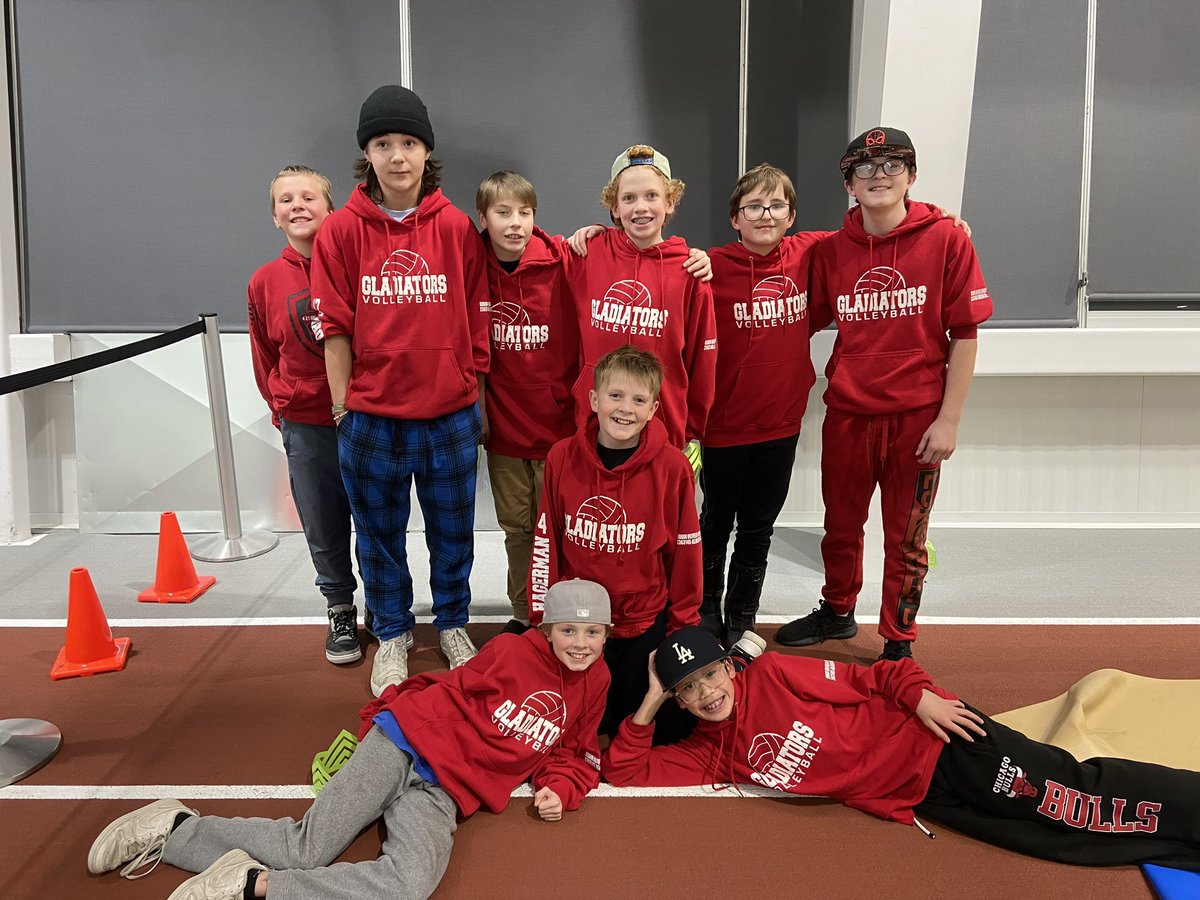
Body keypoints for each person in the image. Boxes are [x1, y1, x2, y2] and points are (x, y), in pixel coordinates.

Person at [87, 579, 613, 900]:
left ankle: (250, 885)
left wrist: (562, 787)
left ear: (607, 636)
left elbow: (579, 751)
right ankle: (174, 827)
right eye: (569, 630)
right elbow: (441, 687)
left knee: (409, 886)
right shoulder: (515, 652)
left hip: (446, 793)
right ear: (547, 630)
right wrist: (385, 719)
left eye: (593, 633)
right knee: (308, 845)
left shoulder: (599, 682)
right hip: (406, 741)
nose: (581, 644)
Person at [604, 626, 1200, 872]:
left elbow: (879, 677)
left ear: (730, 669)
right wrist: (650, 698)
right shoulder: (713, 754)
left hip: (941, 741)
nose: (706, 693)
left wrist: (925, 702)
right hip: (921, 796)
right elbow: (625, 770)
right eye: (688, 689)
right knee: (1053, 840)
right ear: (679, 702)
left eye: (710, 676)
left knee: (1075, 798)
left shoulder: (775, 674)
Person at [777, 127, 993, 661]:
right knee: (840, 528)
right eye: (865, 166)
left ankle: (898, 639)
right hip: (849, 414)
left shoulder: (947, 239)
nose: (878, 175)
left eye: (892, 165)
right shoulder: (829, 251)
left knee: (906, 538)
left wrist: (950, 419)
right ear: (849, 182)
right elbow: (782, 293)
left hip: (917, 419)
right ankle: (838, 610)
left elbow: (965, 332)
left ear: (912, 176)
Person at [310, 85, 490, 696]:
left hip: (449, 415)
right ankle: (391, 632)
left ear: (426, 152)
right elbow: (334, 324)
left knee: (452, 530)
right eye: (383, 144)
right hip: (370, 419)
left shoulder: (459, 227)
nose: (397, 156)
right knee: (378, 534)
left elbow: (476, 314)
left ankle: (453, 624)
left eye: (408, 143)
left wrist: (472, 394)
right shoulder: (339, 232)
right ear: (368, 155)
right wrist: (342, 406)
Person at [528, 345, 701, 743]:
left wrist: (683, 625)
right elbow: (546, 541)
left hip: (643, 617)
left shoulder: (673, 467)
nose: (625, 409)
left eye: (639, 400)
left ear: (654, 408)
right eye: (615, 396)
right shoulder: (560, 458)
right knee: (569, 726)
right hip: (583, 624)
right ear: (594, 399)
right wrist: (543, 618)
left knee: (668, 728)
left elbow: (687, 554)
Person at [699, 164, 829, 648]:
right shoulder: (709, 266)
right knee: (714, 525)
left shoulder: (811, 253)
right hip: (723, 427)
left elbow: (872, 228)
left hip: (780, 426)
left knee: (759, 528)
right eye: (754, 206)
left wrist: (938, 217)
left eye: (776, 206)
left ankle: (742, 615)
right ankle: (706, 608)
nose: (765, 214)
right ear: (735, 218)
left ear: (791, 215)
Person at [247, 165, 361, 666]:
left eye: (309, 197)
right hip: (306, 424)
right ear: (275, 217)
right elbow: (263, 355)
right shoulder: (265, 282)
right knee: (323, 521)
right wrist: (282, 408)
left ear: (330, 207)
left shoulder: (357, 265)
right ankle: (340, 608)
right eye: (286, 200)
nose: (298, 205)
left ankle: (385, 605)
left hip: (364, 419)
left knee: (378, 519)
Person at [475, 171, 579, 634]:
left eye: (524, 212)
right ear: (484, 218)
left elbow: (622, 251)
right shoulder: (468, 266)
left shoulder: (562, 258)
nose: (515, 223)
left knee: (559, 529)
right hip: (504, 431)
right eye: (502, 213)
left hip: (558, 426)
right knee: (517, 530)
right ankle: (523, 613)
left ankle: (564, 614)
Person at [565, 145, 717, 449]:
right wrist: (578, 237)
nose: (640, 208)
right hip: (595, 424)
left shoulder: (690, 270)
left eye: (651, 196)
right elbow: (533, 258)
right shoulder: (587, 254)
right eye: (628, 198)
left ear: (670, 202)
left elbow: (703, 359)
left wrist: (692, 429)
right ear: (614, 208)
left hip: (665, 424)